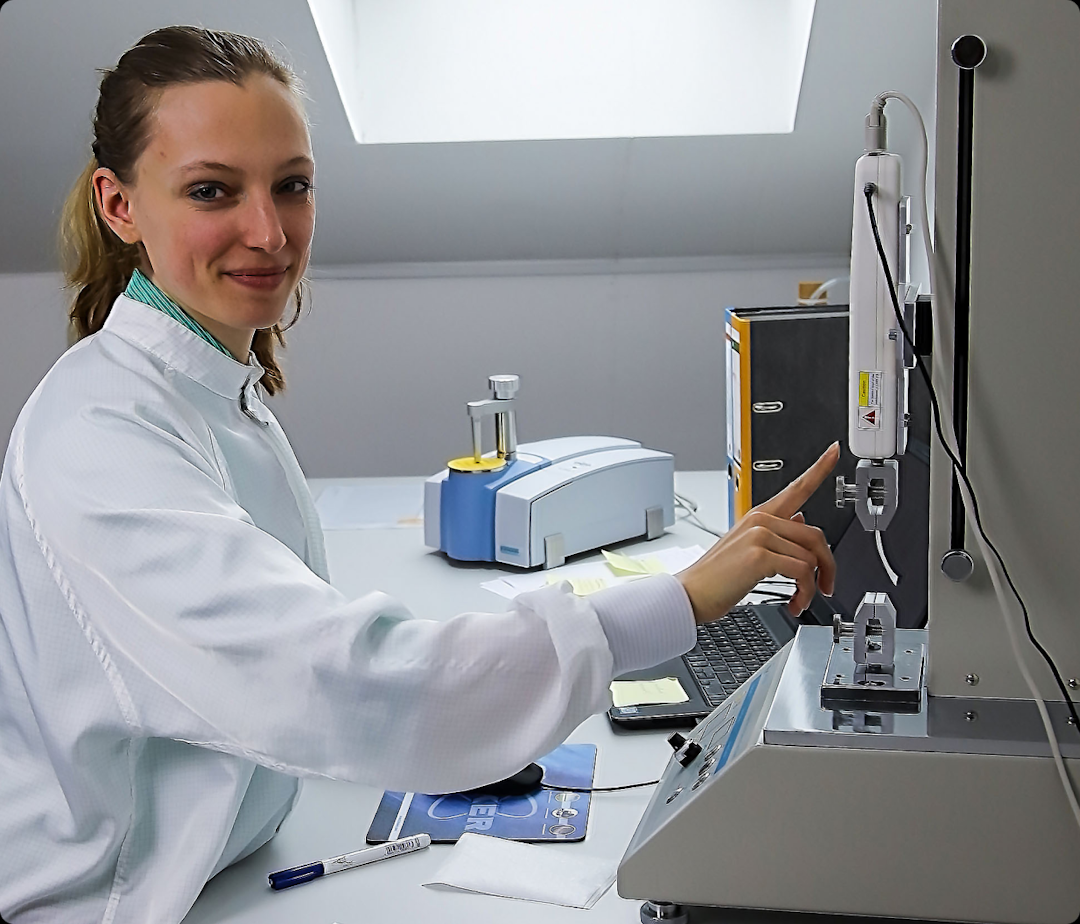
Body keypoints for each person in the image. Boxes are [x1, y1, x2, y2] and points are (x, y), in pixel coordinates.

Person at [0, 26, 838, 924]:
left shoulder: (204, 384)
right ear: (119, 205)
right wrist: (679, 604)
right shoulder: (100, 439)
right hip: (122, 901)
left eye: (292, 185)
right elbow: (343, 675)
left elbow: (299, 633)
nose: (269, 231)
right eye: (212, 190)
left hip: (232, 848)